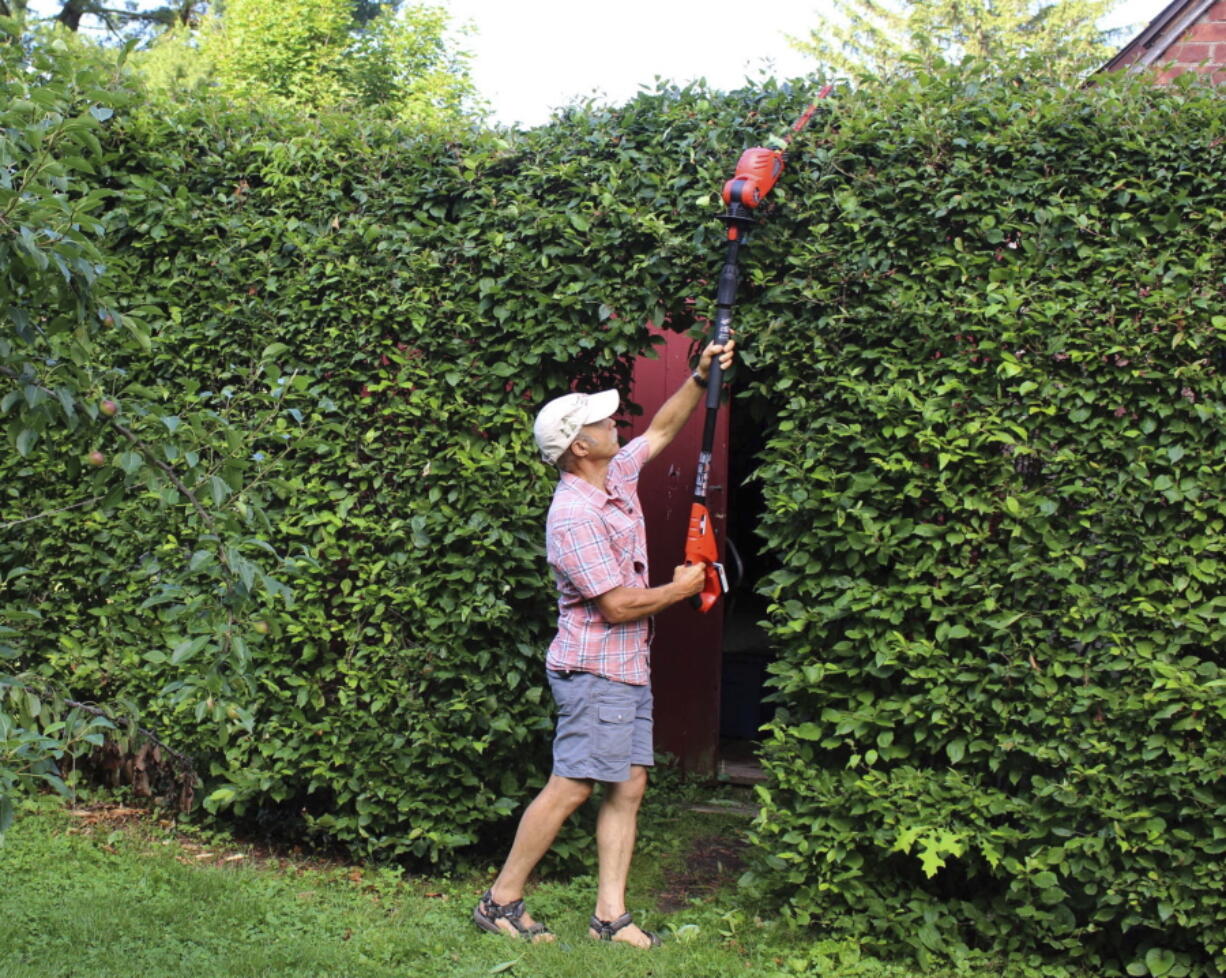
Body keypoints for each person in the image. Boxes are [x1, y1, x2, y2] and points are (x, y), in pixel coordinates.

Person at [473, 338, 736, 949]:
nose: (612, 422)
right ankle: (501, 900)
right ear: (578, 447)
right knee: (575, 783)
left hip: (625, 667)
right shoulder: (573, 515)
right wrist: (679, 589)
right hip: (595, 668)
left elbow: (662, 431)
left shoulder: (611, 473)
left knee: (629, 782)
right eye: (598, 420)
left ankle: (609, 919)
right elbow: (616, 605)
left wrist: (699, 378)